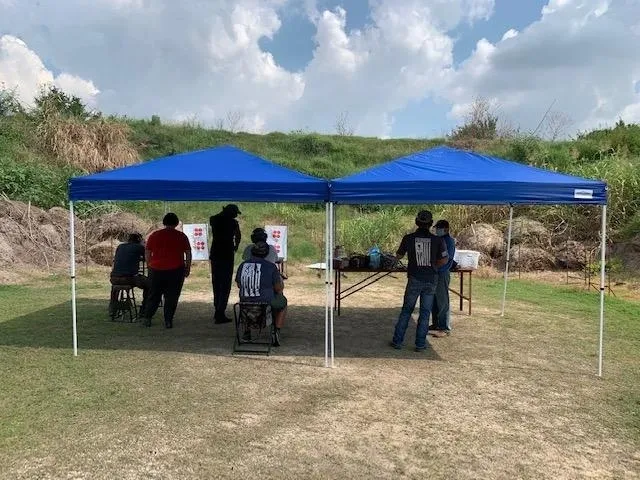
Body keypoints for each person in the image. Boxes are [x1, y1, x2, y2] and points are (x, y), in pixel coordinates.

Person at [390, 210, 448, 352]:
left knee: (406, 311)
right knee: (425, 312)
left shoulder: (408, 238)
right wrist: (434, 266)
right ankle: (420, 344)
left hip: (414, 278)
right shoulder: (438, 240)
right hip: (431, 279)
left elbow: (398, 256)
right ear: (430, 224)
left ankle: (398, 341)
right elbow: (444, 259)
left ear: (417, 222)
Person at [140, 213, 192, 328]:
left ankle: (147, 318)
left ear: (164, 222)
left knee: (153, 295)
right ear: (176, 223)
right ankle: (168, 321)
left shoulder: (154, 235)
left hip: (156, 269)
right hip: (176, 270)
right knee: (172, 296)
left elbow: (147, 252)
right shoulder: (181, 236)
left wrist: (149, 265)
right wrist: (188, 267)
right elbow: (188, 253)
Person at [236, 241, 288, 347]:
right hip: (264, 305)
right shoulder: (271, 267)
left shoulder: (242, 265)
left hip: (245, 305)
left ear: (252, 253)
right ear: (266, 254)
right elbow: (278, 288)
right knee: (283, 302)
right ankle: (276, 331)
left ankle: (247, 332)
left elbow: (239, 285)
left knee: (248, 300)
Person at [210, 204, 242, 324]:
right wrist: (235, 246)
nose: (236, 215)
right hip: (227, 254)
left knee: (216, 283)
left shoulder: (213, 219)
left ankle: (217, 309)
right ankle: (220, 312)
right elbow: (238, 236)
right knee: (225, 284)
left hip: (215, 254)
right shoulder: (233, 223)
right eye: (235, 213)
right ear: (231, 212)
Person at [109, 233, 149, 315]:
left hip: (114, 278)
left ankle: (113, 308)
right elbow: (147, 258)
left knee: (115, 287)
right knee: (149, 285)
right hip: (129, 279)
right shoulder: (139, 247)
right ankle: (144, 310)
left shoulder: (120, 246)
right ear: (139, 240)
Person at [431, 219, 456, 335]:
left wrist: (435, 265)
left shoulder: (449, 241)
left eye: (439, 228)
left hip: (442, 272)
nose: (437, 230)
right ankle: (436, 323)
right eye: (436, 228)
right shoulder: (439, 239)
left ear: (446, 229)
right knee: (434, 300)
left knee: (442, 300)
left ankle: (444, 327)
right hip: (435, 272)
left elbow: (445, 259)